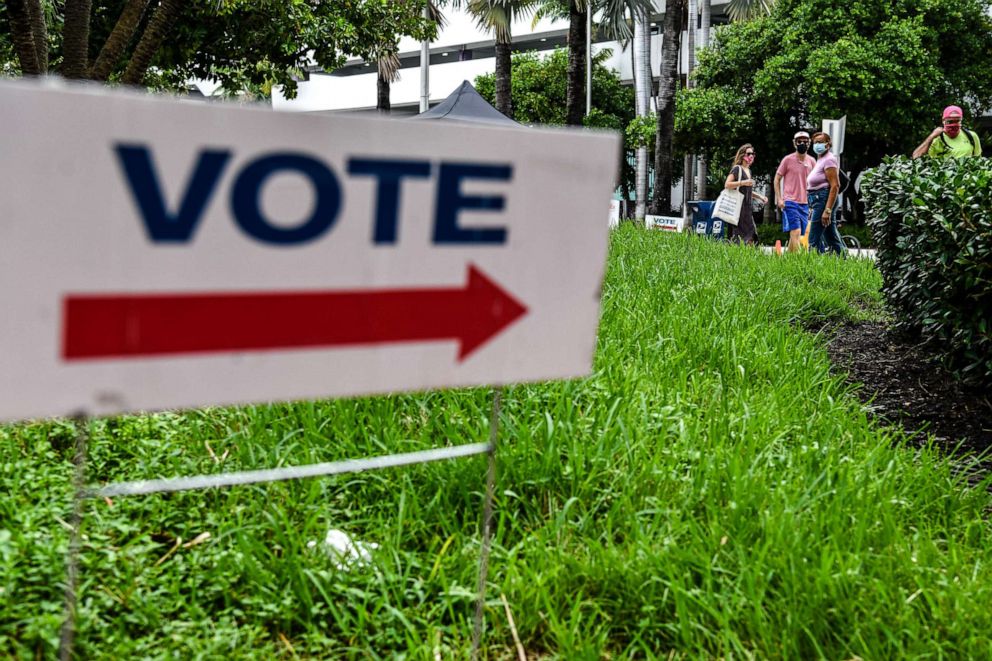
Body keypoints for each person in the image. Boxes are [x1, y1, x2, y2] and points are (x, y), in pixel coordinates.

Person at [806, 132, 846, 256]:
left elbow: (835, 186)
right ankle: (843, 261)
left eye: (820, 142)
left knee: (813, 239)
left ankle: (814, 266)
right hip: (818, 200)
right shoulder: (821, 159)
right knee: (830, 236)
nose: (817, 145)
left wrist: (827, 210)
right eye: (815, 142)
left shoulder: (829, 160)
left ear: (828, 144)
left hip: (823, 200)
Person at [775, 131, 815, 253]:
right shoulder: (787, 160)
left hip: (805, 203)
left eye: (805, 141)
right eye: (799, 141)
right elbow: (777, 179)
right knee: (796, 231)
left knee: (800, 233)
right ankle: (799, 260)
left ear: (809, 143)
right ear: (794, 143)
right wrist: (780, 199)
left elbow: (814, 183)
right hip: (790, 201)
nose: (802, 143)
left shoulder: (812, 161)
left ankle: (788, 258)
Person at [723, 144, 768, 245]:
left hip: (747, 209)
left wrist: (760, 197)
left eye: (753, 154)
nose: (751, 156)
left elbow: (747, 191)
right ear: (743, 156)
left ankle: (748, 258)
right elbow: (727, 184)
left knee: (751, 235)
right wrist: (743, 182)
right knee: (738, 238)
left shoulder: (748, 171)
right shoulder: (737, 169)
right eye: (749, 154)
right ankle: (736, 257)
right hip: (737, 209)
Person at [912, 105, 983, 159]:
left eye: (957, 121)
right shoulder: (937, 139)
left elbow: (977, 159)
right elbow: (916, 157)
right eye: (950, 121)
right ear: (943, 121)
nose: (953, 125)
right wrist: (932, 136)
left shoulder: (971, 136)